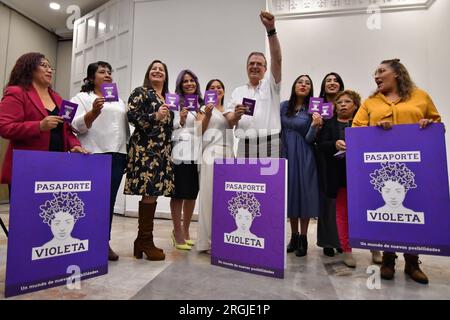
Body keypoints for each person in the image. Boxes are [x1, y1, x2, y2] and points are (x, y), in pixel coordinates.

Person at [352, 58, 441, 284]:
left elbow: (437, 124)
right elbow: (357, 130)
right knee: (387, 213)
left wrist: (426, 124)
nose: (376, 75)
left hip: (414, 168)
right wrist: (376, 129)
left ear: (397, 74)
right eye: (375, 72)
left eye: (382, 71)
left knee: (413, 209)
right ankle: (388, 259)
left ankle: (412, 262)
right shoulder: (371, 102)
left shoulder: (420, 96)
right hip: (381, 167)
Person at [0, 52, 87, 192]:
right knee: (26, 212)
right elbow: (5, 127)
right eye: (43, 65)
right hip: (28, 167)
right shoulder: (16, 92)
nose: (49, 70)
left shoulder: (57, 98)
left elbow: (66, 130)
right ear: (29, 68)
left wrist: (75, 145)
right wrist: (39, 126)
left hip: (57, 165)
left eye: (50, 67)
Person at [71, 61, 130, 261]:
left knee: (108, 202)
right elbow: (74, 126)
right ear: (90, 77)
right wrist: (93, 112)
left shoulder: (118, 100)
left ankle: (102, 242)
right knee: (91, 201)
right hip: (94, 154)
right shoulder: (82, 97)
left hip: (118, 155)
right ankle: (84, 240)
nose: (107, 75)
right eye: (102, 72)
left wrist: (127, 151)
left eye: (109, 72)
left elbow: (124, 129)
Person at [125, 60, 178, 261]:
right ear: (148, 73)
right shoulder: (141, 92)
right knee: (150, 191)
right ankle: (144, 241)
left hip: (162, 151)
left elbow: (168, 126)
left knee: (154, 193)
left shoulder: (168, 98)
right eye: (154, 68)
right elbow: (131, 115)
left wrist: (178, 118)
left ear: (165, 76)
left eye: (161, 69)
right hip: (146, 149)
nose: (157, 71)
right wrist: (154, 115)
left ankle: (142, 241)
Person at [225, 11, 282, 158]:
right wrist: (236, 116)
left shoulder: (272, 85)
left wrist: (271, 30)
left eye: (259, 64)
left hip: (269, 143)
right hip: (245, 143)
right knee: (244, 181)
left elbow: (277, 59)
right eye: (251, 63)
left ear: (266, 68)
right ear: (246, 67)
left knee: (269, 181)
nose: (255, 66)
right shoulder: (238, 91)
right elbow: (229, 121)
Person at [318, 90, 361, 267]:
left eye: (347, 101)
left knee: (363, 214)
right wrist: (334, 144)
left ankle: (375, 249)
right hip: (338, 176)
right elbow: (320, 145)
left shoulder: (362, 124)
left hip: (360, 177)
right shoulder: (329, 124)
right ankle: (347, 250)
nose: (343, 104)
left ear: (356, 105)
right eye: (339, 102)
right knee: (342, 214)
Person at [281, 75, 322, 257]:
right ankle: (294, 236)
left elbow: (310, 138)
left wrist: (314, 125)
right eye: (300, 82)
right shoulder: (283, 106)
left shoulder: (313, 109)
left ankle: (304, 238)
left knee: (304, 195)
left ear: (310, 88)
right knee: (290, 195)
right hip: (286, 153)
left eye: (307, 83)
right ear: (294, 85)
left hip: (305, 154)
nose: (303, 85)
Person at [197, 79, 234, 253]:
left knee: (226, 199)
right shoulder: (203, 110)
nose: (216, 89)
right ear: (206, 93)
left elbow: (236, 123)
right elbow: (198, 131)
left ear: (224, 91)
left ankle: (225, 236)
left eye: (219, 87)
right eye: (212, 88)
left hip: (228, 154)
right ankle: (209, 242)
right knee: (210, 197)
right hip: (211, 154)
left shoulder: (228, 111)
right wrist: (209, 114)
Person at [170, 69, 202, 250]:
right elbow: (168, 128)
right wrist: (180, 121)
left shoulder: (202, 105)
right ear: (180, 85)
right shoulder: (175, 103)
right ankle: (177, 232)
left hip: (197, 154)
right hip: (180, 153)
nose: (189, 84)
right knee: (178, 194)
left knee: (191, 194)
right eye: (185, 81)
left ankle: (186, 230)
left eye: (192, 80)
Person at [315, 72, 346, 258]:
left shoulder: (346, 103)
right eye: (328, 80)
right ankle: (327, 241)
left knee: (342, 201)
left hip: (345, 157)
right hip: (323, 156)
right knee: (326, 201)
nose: (332, 83)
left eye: (335, 80)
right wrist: (315, 124)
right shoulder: (316, 105)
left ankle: (341, 240)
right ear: (323, 85)